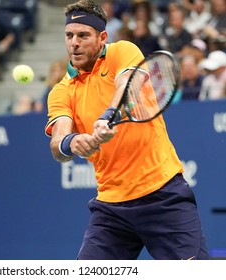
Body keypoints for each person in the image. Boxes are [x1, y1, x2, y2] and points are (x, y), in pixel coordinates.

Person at [44, 0, 210, 260]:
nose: (74, 42)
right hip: (111, 207)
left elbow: (127, 87)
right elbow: (58, 143)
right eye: (69, 35)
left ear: (102, 37)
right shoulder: (61, 91)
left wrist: (109, 115)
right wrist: (72, 143)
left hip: (162, 194)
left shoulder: (123, 50)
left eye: (83, 35)